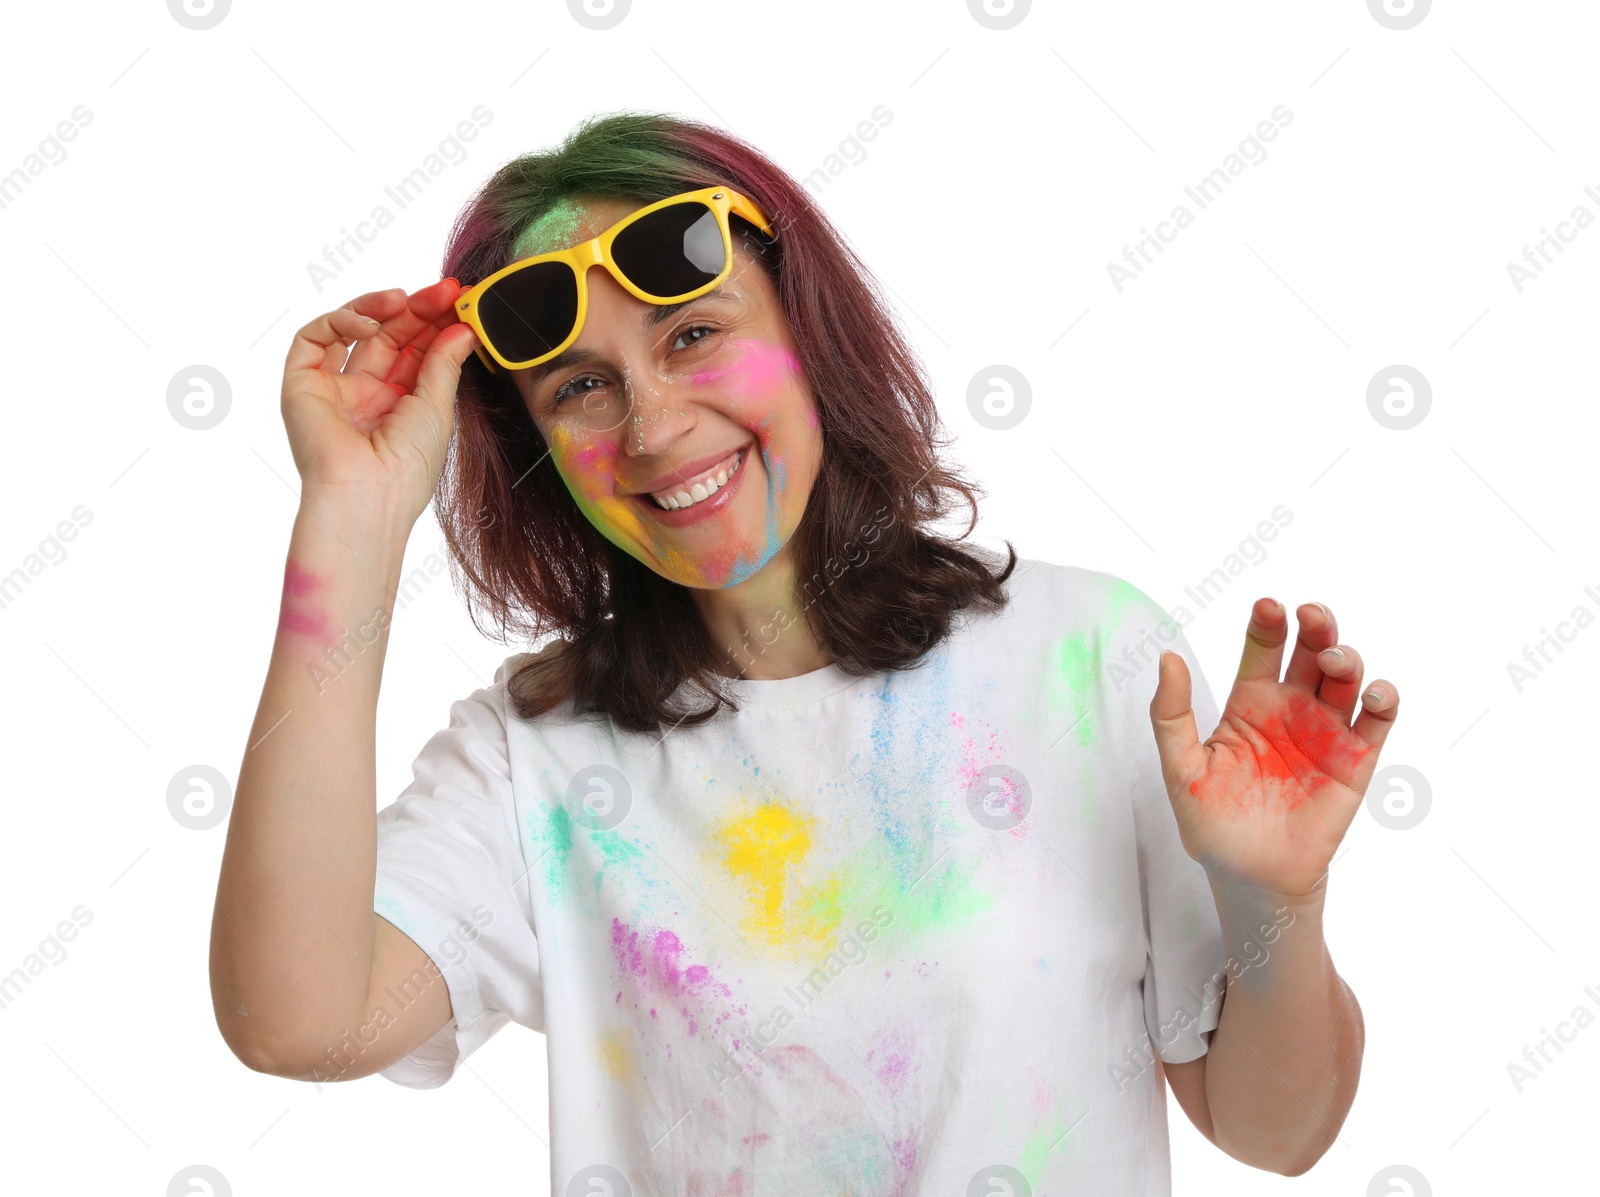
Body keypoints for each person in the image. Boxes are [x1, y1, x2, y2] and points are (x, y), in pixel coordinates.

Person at [210, 112, 1399, 1194]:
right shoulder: (536, 752)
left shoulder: (1088, 662)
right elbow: (297, 1021)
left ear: (807, 327)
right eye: (580, 387)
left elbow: (1276, 1134)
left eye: (694, 334)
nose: (652, 424)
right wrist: (351, 523)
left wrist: (1272, 900)